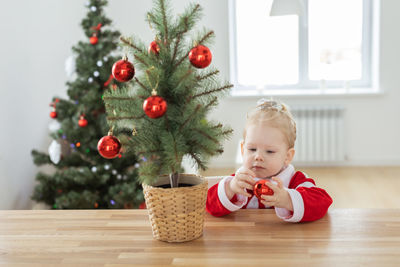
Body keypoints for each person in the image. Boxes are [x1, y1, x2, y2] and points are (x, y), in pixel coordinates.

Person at [206, 99, 333, 222]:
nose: (258, 157)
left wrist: (287, 199)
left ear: (287, 156)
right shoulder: (240, 181)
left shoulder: (295, 180)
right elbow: (208, 205)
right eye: (252, 149)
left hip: (284, 241)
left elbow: (323, 202)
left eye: (270, 151)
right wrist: (230, 189)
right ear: (243, 150)